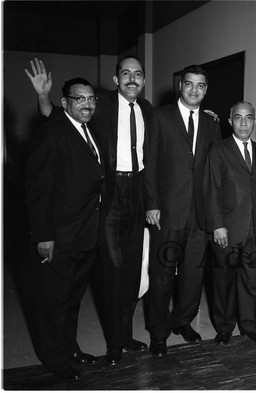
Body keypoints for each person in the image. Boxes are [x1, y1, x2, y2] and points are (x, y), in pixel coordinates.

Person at [25, 57, 154, 365]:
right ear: (115, 79)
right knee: (110, 273)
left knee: (131, 272)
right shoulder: (102, 105)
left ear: (144, 81)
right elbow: (58, 117)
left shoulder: (148, 109)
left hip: (135, 193)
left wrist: (212, 118)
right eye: (126, 73)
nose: (132, 79)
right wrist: (43, 96)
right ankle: (110, 344)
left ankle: (123, 334)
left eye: (138, 74)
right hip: (109, 196)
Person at [25, 78, 104, 380]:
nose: (87, 104)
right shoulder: (52, 133)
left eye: (91, 99)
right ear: (65, 103)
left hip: (86, 234)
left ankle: (70, 348)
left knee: (72, 300)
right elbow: (38, 191)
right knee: (54, 301)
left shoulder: (89, 130)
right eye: (79, 98)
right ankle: (53, 358)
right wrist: (43, 236)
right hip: (59, 237)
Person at [144, 65, 221, 356]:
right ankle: (158, 331)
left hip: (199, 214)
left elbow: (214, 171)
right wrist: (151, 203)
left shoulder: (213, 123)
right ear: (180, 86)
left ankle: (183, 321)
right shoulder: (159, 117)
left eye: (200, 86)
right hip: (167, 210)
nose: (194, 90)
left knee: (192, 273)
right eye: (189, 84)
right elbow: (149, 163)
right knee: (162, 273)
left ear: (206, 89)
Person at [204, 101, 256, 345]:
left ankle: (250, 325)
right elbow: (211, 190)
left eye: (248, 118)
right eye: (238, 118)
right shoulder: (218, 150)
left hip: (254, 229)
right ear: (229, 122)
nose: (243, 123)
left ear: (254, 121)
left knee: (252, 281)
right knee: (223, 281)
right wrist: (218, 225)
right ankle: (224, 327)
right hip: (227, 229)